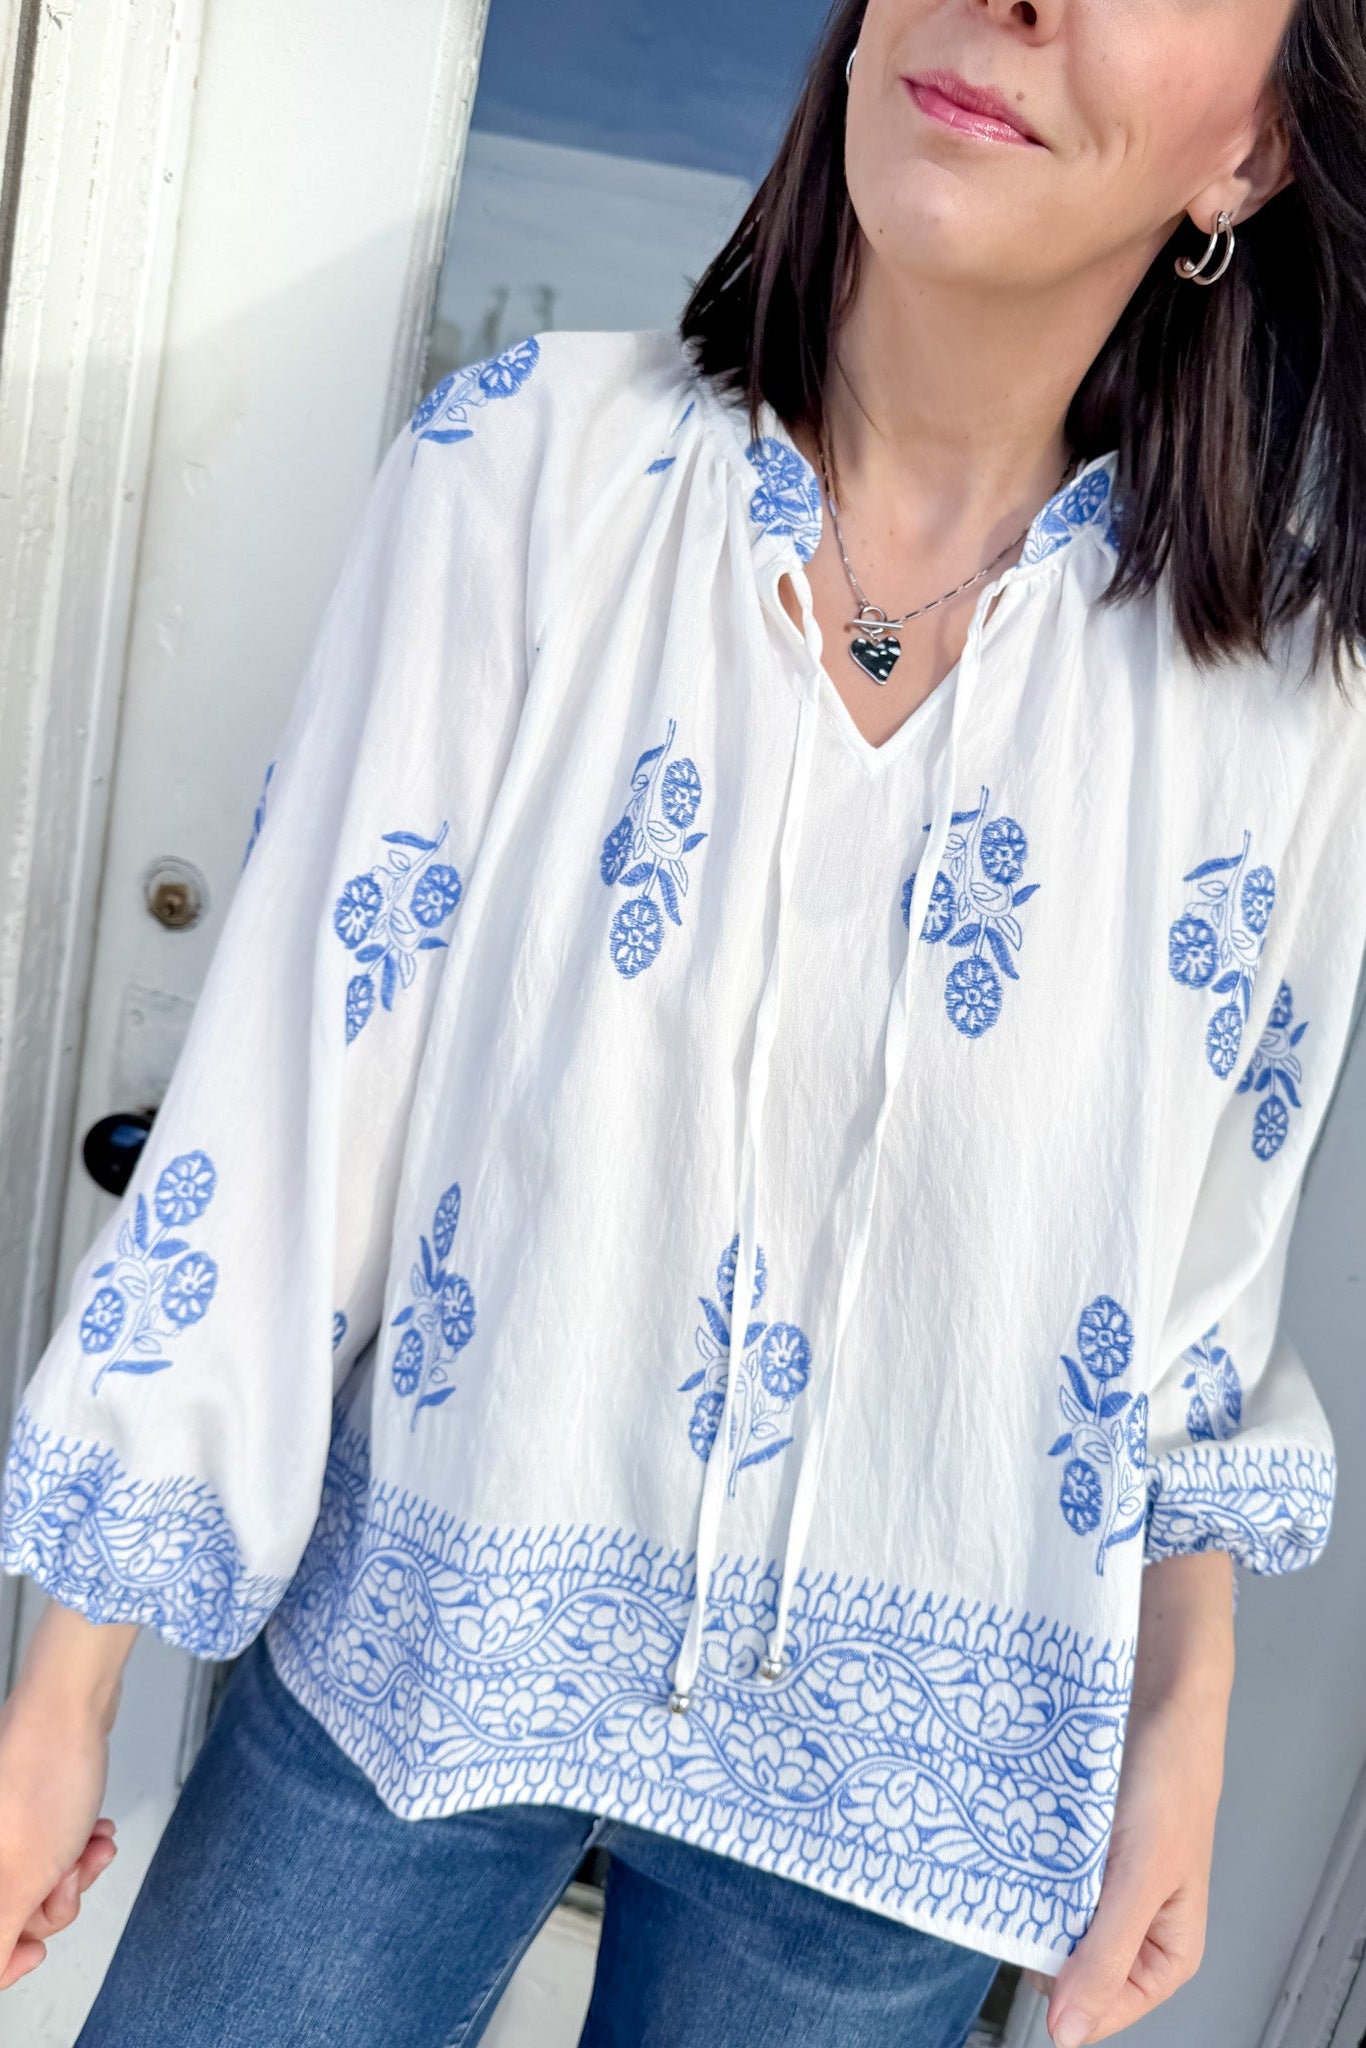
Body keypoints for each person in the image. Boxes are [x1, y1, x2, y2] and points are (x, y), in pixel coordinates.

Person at [2, 0, 1365, 2043]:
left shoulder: (1277, 698)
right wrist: (61, 1697)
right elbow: (290, 1101)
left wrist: (1181, 1712)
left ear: (1248, 154)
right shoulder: (529, 473)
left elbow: (1192, 1280)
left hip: (900, 1784)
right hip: (420, 1651)